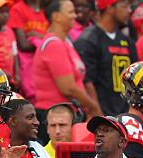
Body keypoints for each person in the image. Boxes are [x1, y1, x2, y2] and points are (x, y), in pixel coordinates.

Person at [32, 0, 101, 144]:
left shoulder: (65, 42)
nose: (74, 16)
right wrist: (93, 107)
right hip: (54, 117)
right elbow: (68, 88)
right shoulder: (53, 44)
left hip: (68, 113)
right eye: (70, 12)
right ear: (56, 16)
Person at [74, 0, 137, 116]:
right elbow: (87, 80)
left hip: (125, 114)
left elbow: (136, 80)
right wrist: (96, 112)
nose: (129, 10)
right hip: (100, 113)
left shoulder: (128, 42)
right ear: (109, 8)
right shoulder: (88, 40)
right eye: (125, 5)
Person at [8, 0, 48, 103]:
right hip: (28, 67)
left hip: (45, 65)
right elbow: (24, 45)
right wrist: (45, 41)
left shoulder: (47, 8)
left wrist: (39, 37)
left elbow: (54, 39)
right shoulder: (17, 9)